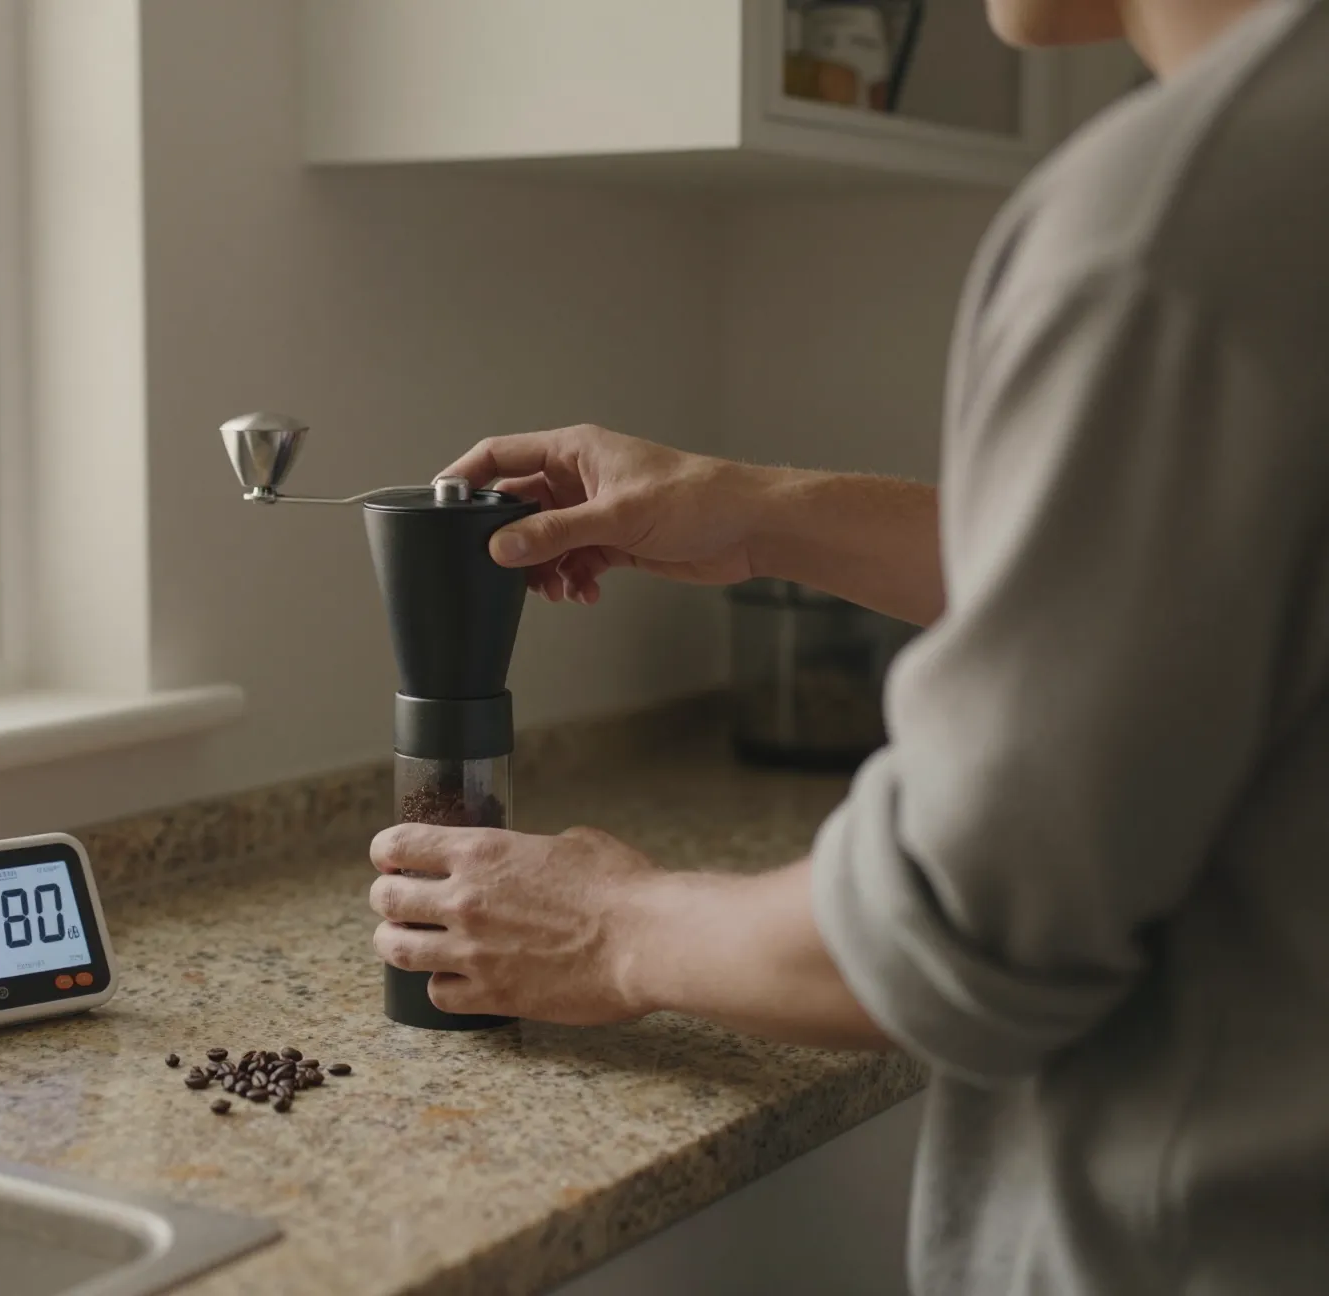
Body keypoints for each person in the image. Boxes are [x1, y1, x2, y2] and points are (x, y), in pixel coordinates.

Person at [366, 0, 1329, 1290]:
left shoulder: (1177, 215)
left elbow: (966, 922)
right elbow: (1207, 583)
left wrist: (613, 925)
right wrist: (765, 513)